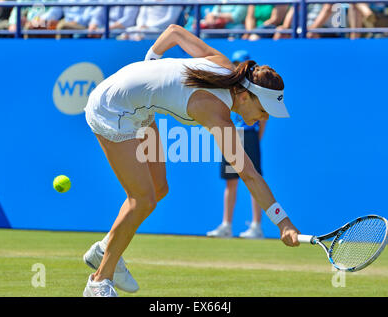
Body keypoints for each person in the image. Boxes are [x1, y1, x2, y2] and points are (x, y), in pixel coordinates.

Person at [82, 24, 300, 297]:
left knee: (159, 189)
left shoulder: (224, 65)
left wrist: (151, 63)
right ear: (244, 97)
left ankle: (105, 250)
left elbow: (174, 32)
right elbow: (250, 175)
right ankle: (100, 281)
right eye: (264, 110)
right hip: (112, 107)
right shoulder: (216, 112)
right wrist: (283, 222)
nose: (265, 118)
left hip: (138, 107)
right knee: (142, 199)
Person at [207, 50, 267, 239]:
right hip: (231, 135)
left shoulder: (255, 90)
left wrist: (255, 138)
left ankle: (257, 226)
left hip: (249, 135)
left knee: (254, 181)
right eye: (235, 64)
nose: (236, 67)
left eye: (240, 64)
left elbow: (263, 117)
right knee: (230, 182)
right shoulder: (229, 87)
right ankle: (226, 225)